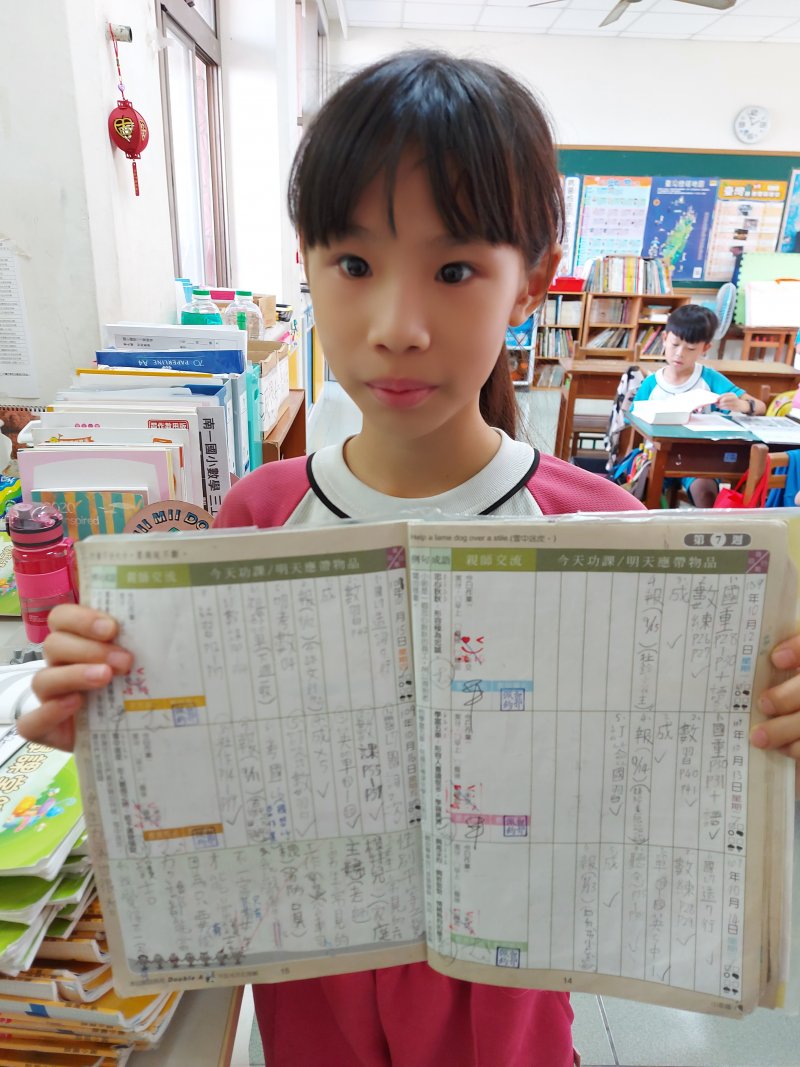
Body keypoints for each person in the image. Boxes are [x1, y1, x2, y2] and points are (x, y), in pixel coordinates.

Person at [17, 50, 800, 1067]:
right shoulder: (254, 520)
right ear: (305, 266)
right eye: (353, 263)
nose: (396, 327)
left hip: (510, 1017)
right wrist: (104, 720)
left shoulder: (609, 536)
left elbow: (678, 783)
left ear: (532, 284)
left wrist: (769, 720)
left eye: (454, 270)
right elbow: (213, 781)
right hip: (312, 1005)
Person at [632, 303, 766, 507]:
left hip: (699, 460)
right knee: (644, 494)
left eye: (691, 348)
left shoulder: (710, 379)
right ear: (664, 338)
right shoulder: (652, 383)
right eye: (675, 344)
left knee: (706, 494)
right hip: (655, 456)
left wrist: (741, 405)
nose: (680, 353)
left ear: (705, 348)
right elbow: (634, 420)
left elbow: (760, 406)